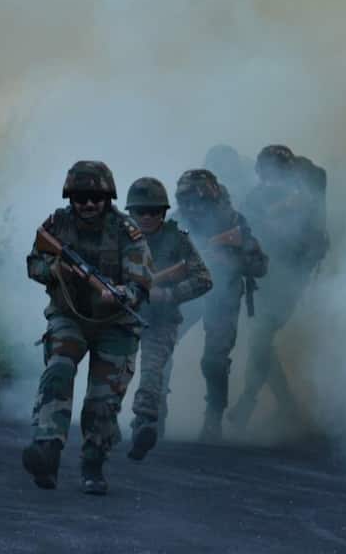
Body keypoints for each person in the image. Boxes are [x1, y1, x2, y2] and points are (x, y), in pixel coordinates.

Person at [21, 160, 154, 495]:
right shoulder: (57, 225)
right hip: (70, 316)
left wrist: (118, 293)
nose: (89, 204)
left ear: (108, 198)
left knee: (102, 402)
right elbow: (34, 263)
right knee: (59, 370)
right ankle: (47, 449)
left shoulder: (127, 232)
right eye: (81, 198)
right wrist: (57, 271)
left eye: (96, 198)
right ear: (71, 198)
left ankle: (93, 462)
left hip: (117, 324)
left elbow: (140, 285)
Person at [228, 145, 329, 431]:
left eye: (279, 171)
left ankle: (249, 400)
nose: (269, 178)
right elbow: (247, 228)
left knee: (260, 338)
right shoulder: (259, 198)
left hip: (287, 282)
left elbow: (310, 241)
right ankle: (287, 406)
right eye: (265, 172)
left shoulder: (308, 200)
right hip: (263, 280)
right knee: (261, 343)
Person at [164, 169, 268, 442]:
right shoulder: (175, 221)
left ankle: (214, 417)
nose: (192, 208)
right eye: (187, 201)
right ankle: (155, 412)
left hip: (222, 295)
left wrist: (232, 261)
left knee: (214, 361)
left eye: (198, 202)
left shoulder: (233, 222)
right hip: (187, 293)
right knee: (161, 348)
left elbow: (260, 266)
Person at [123, 177, 213, 458]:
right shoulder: (117, 237)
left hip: (160, 319)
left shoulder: (177, 239)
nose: (148, 217)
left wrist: (170, 295)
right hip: (120, 316)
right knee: (113, 375)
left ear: (164, 212)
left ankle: (145, 423)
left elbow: (203, 279)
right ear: (131, 213)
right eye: (141, 212)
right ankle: (102, 425)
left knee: (152, 374)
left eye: (155, 212)